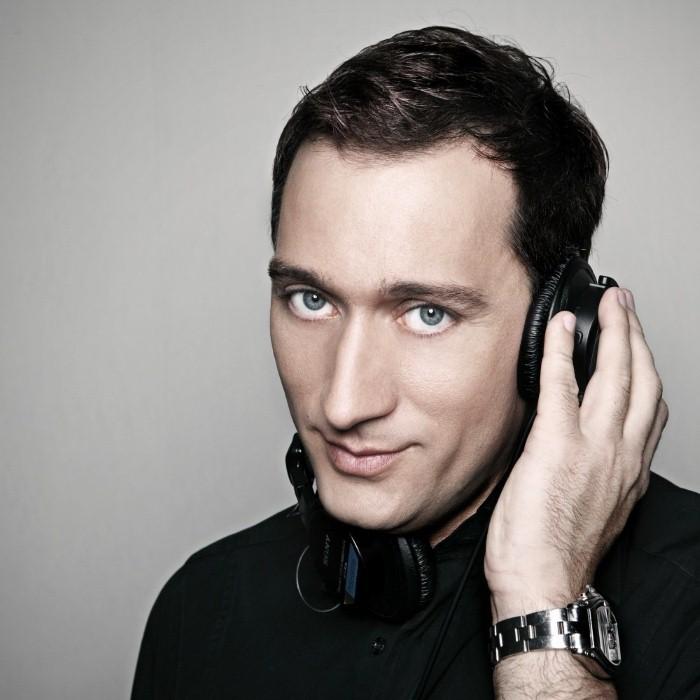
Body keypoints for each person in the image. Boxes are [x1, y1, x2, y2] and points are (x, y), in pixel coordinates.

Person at [131, 26, 700, 699]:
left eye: (428, 313)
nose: (343, 404)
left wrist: (543, 606)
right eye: (311, 300)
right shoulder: (200, 612)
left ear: (560, 328)